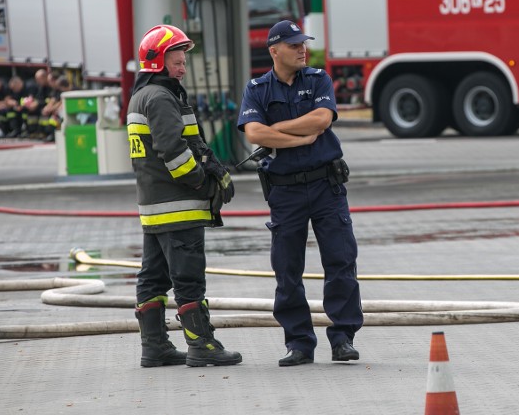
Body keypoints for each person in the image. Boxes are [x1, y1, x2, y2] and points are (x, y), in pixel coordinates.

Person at [237, 19, 363, 367]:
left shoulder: (318, 78)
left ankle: (342, 339)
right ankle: (299, 344)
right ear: (274, 50)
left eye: (302, 43)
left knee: (340, 260)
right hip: (286, 191)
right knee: (287, 269)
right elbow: (253, 134)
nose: (301, 49)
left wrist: (276, 128)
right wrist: (297, 136)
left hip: (326, 186)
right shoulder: (258, 88)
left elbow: (322, 119)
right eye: (293, 45)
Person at [126, 24, 241, 368]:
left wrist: (216, 168)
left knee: (154, 278)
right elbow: (174, 152)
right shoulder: (161, 98)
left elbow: (194, 143)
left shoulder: (144, 95)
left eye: (182, 62)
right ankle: (201, 345)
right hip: (179, 208)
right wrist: (205, 185)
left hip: (155, 209)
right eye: (176, 61)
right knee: (189, 278)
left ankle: (155, 346)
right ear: (158, 62)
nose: (182, 68)